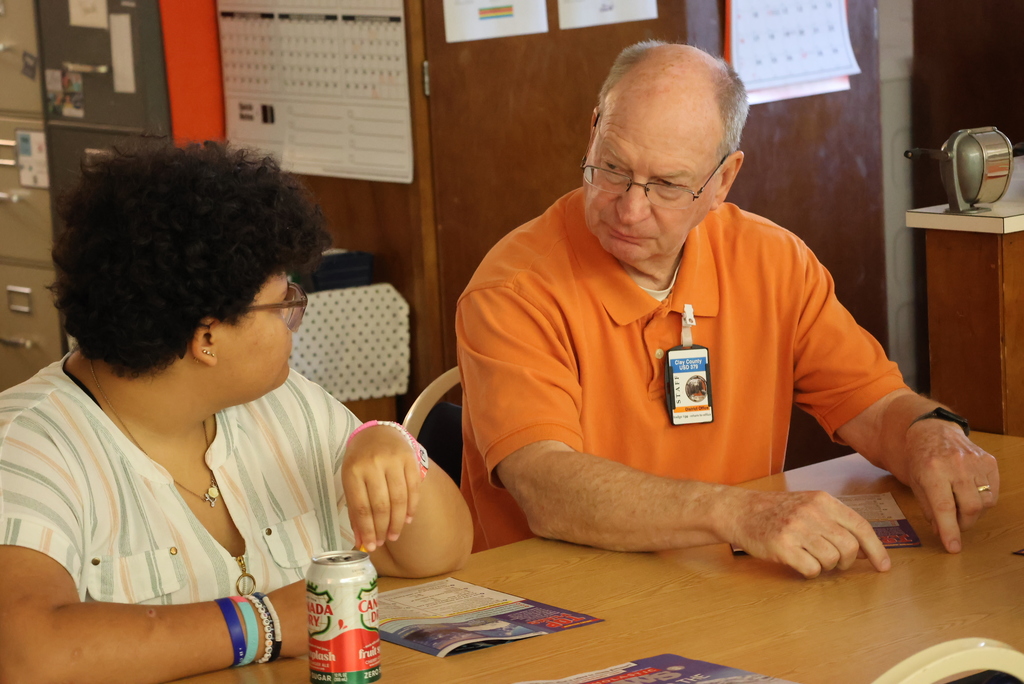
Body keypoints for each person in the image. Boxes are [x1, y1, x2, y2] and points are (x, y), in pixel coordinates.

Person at [456, 41, 999, 578]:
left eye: (667, 185)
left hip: (726, 585)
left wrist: (930, 434)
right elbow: (545, 488)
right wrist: (740, 515)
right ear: (593, 129)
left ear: (723, 180)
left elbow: (876, 408)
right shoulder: (513, 289)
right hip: (558, 603)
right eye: (613, 168)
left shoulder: (773, 260)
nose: (630, 207)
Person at [0, 141, 473, 683]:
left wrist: (393, 449)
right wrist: (264, 623)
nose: (296, 315)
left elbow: (440, 553)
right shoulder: (27, 444)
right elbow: (26, 654)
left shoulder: (283, 402)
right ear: (207, 337)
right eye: (282, 302)